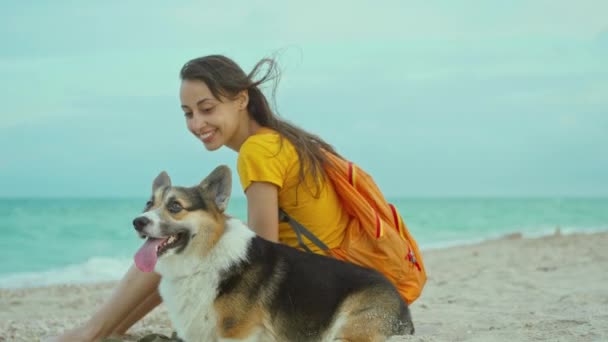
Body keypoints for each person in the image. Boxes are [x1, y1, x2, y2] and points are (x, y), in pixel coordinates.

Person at [51, 55, 415, 341]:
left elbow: (263, 252)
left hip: (323, 289)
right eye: (188, 113)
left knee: (184, 236)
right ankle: (108, 330)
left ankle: (92, 331)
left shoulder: (258, 151)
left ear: (241, 99)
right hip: (344, 276)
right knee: (183, 234)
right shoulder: (277, 141)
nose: (196, 124)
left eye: (207, 109)